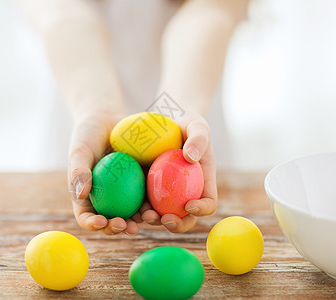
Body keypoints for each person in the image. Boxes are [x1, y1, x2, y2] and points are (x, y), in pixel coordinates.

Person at [21, 0, 250, 235]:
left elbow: (212, 10)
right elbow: (63, 13)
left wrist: (179, 108)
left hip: (187, 117)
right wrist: (95, 108)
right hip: (84, 100)